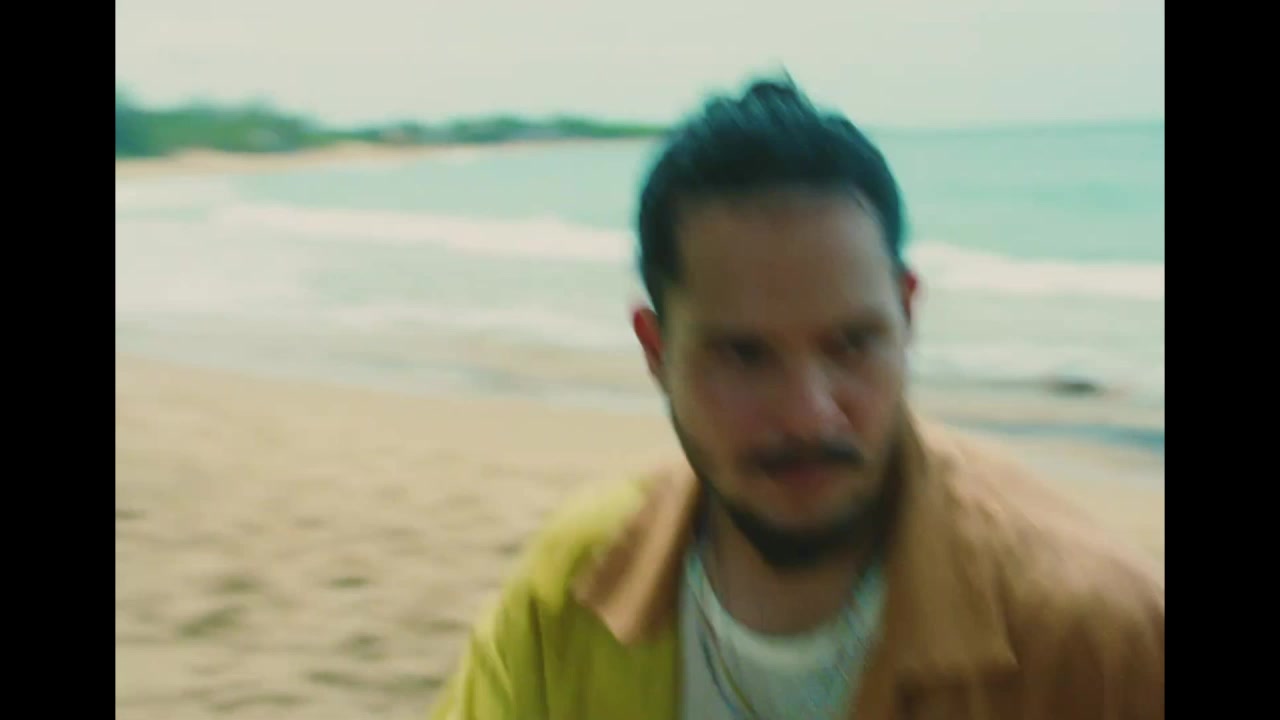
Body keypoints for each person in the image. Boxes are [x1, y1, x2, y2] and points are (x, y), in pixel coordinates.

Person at [427, 76, 1164, 720]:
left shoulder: (1093, 635)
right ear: (655, 351)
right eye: (744, 356)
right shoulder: (575, 586)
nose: (810, 412)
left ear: (907, 317)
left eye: (852, 344)